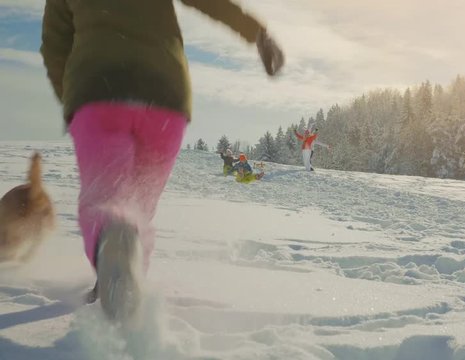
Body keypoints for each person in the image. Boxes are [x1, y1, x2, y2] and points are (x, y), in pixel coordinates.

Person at [40, 0, 284, 322]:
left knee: (108, 199)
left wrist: (73, 96)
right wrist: (257, 33)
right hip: (164, 98)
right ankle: (122, 290)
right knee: (138, 208)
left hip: (98, 93)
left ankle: (112, 266)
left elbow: (55, 46)